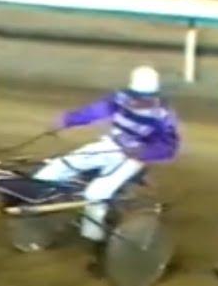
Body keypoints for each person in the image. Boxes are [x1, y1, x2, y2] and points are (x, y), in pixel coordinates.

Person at [34, 65, 180, 275]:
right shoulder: (120, 98)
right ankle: (43, 214)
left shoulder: (164, 115)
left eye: (144, 96)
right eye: (137, 95)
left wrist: (144, 151)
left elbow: (169, 147)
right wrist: (66, 121)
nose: (139, 100)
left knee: (95, 193)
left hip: (135, 156)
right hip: (110, 144)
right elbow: (95, 111)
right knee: (53, 170)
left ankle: (95, 244)